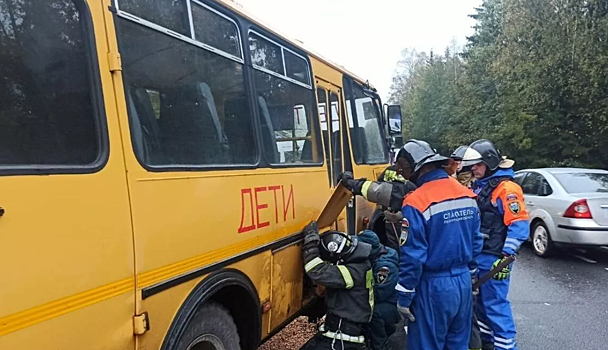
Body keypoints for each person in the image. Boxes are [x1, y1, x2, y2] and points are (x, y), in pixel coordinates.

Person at [395, 139, 483, 350]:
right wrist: (470, 277)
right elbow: (476, 241)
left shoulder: (416, 201)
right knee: (458, 344)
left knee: (427, 344)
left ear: (414, 168)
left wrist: (405, 295)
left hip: (433, 287)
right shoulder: (467, 195)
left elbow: (413, 255)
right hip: (462, 283)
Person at [461, 139, 530, 350]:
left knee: (496, 306)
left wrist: (506, 256)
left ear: (490, 163)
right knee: (481, 307)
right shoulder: (482, 187)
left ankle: (507, 347)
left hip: (495, 258)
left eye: (478, 164)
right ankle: (487, 343)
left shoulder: (506, 189)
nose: (474, 168)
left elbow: (519, 224)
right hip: (481, 255)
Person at [300, 222, 374, 350]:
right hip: (340, 330)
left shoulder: (353, 272)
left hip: (341, 337)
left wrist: (310, 240)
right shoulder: (361, 262)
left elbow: (316, 270)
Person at [339, 151, 417, 252]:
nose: (397, 171)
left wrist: (351, 183)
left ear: (405, 163)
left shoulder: (411, 184)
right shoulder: (423, 180)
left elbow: (379, 190)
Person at [357, 230, 400, 350]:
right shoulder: (379, 252)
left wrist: (356, 296)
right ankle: (387, 329)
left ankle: (380, 346)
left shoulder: (385, 267)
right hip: (390, 300)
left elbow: (379, 294)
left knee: (373, 312)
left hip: (394, 303)